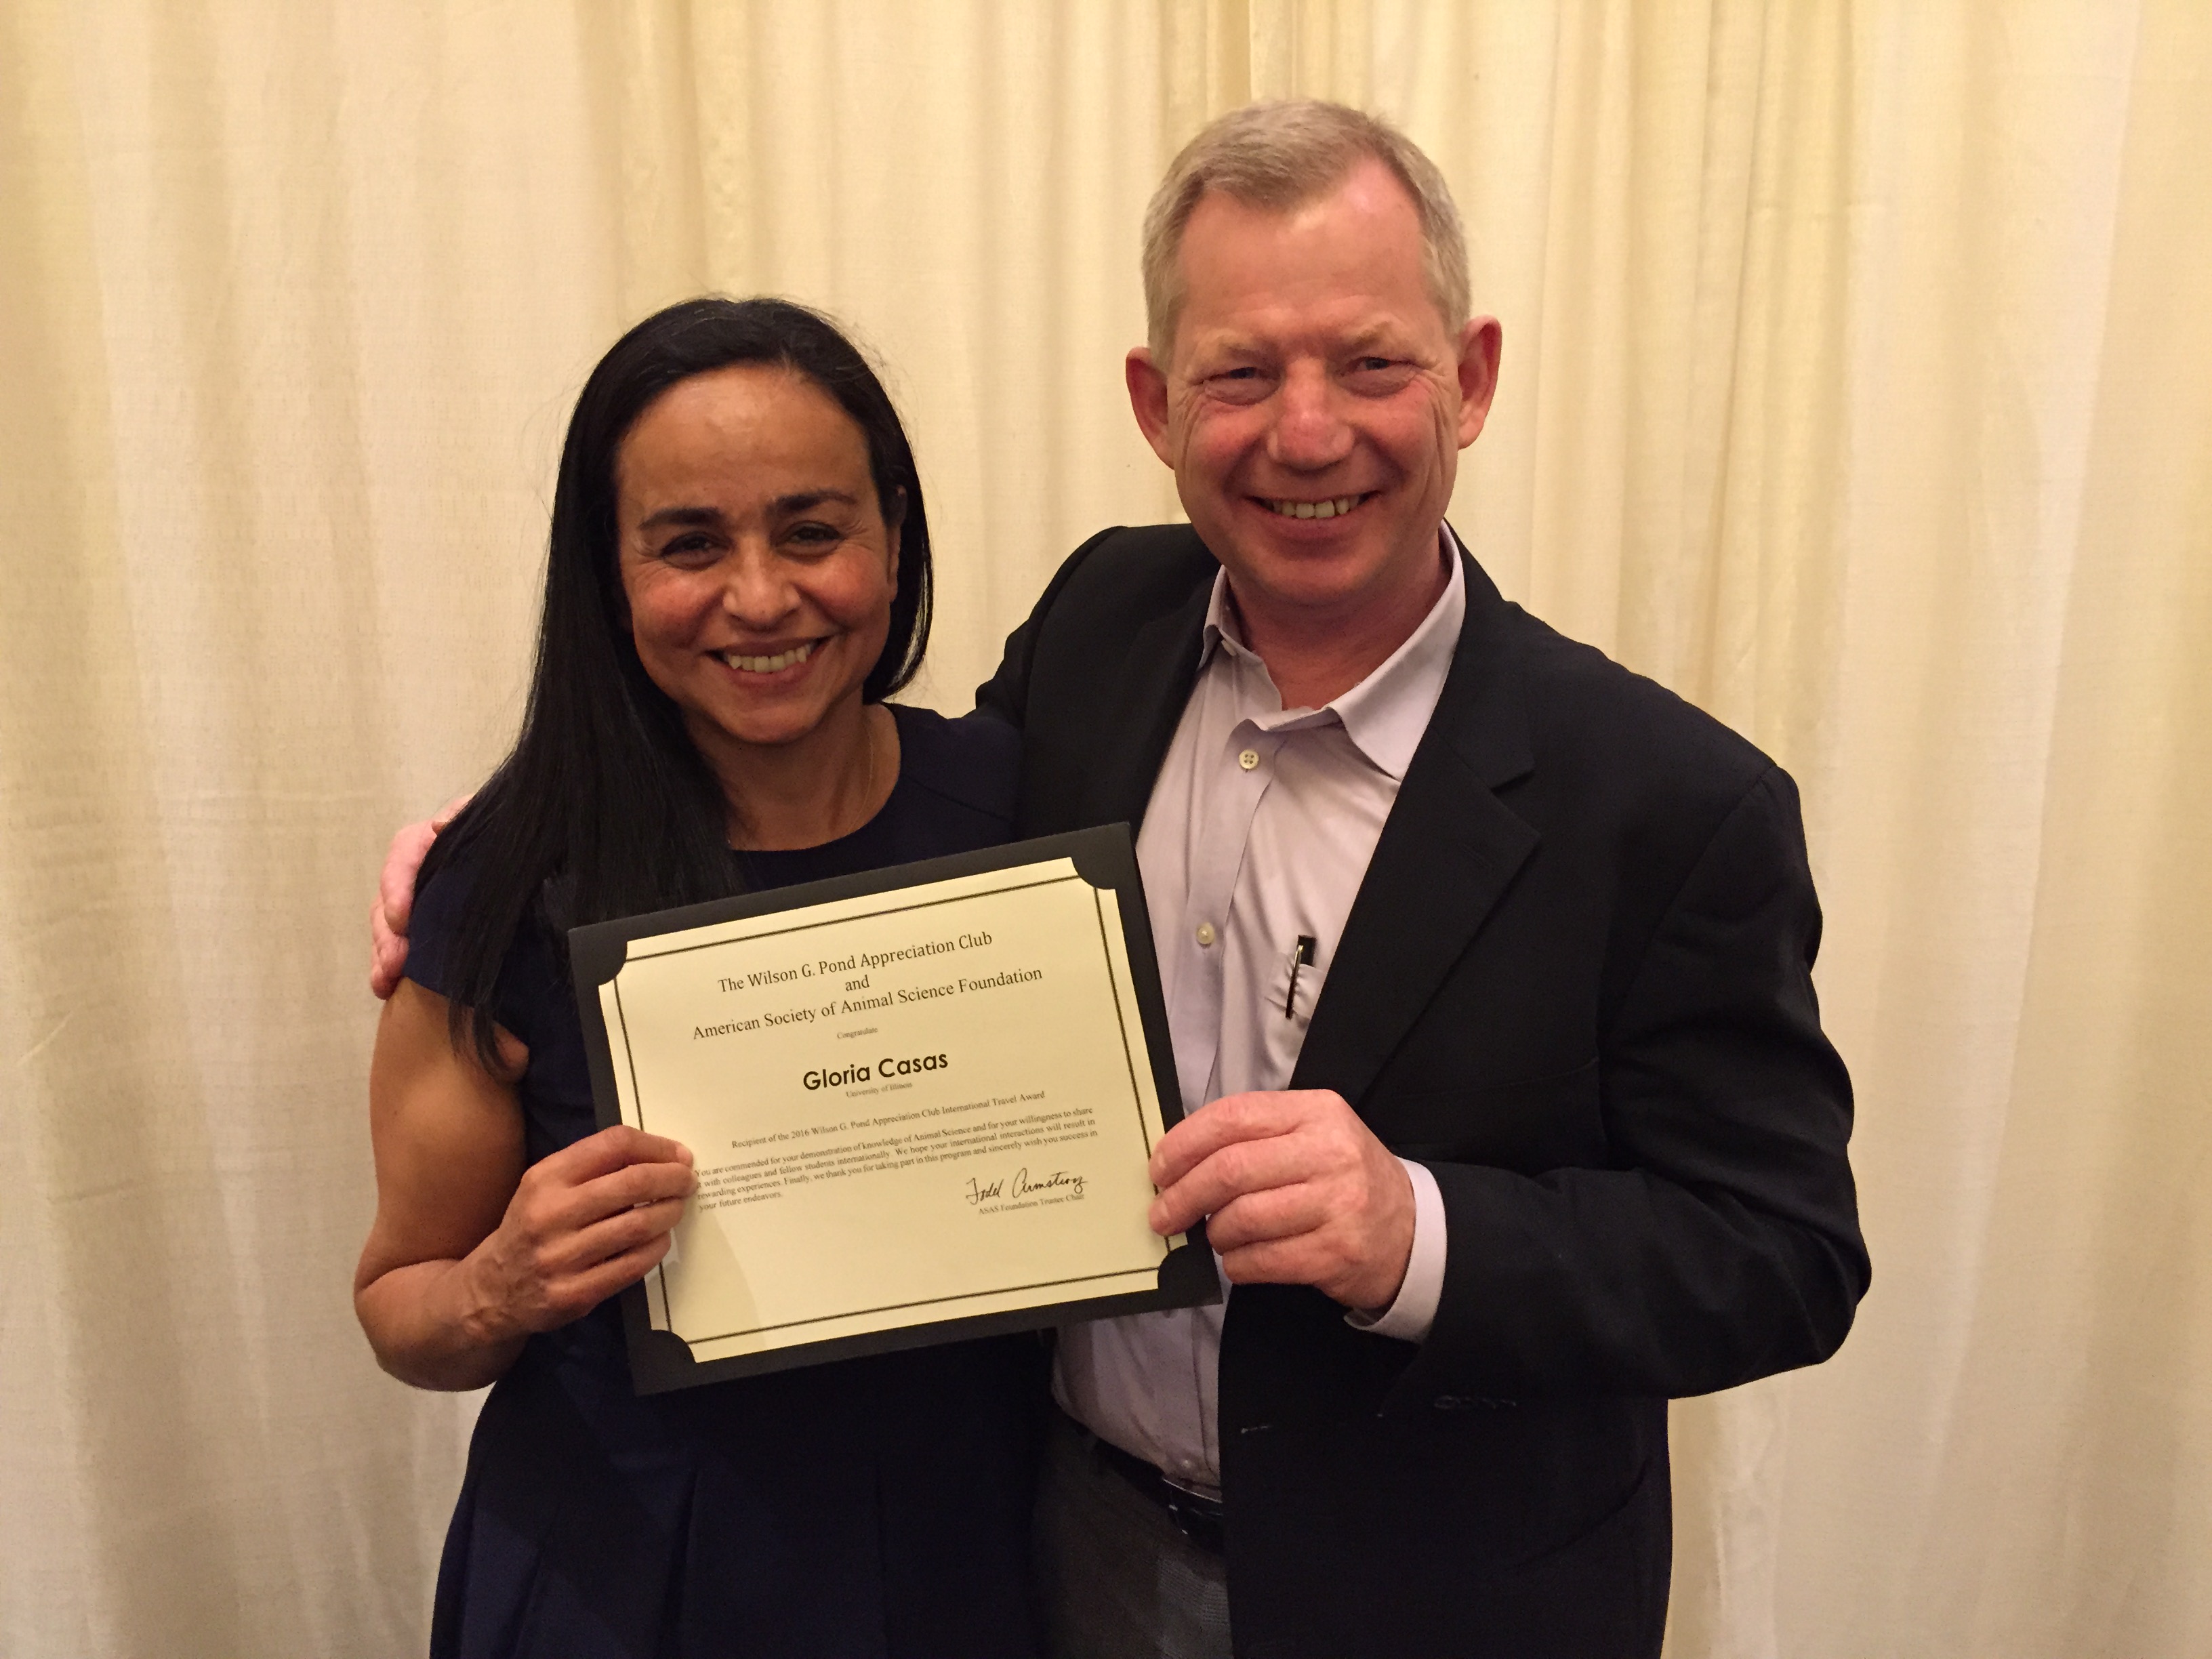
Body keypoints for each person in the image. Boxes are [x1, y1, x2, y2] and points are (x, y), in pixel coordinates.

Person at [375, 103, 1868, 1659]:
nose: (1306, 432)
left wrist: (1419, 1232)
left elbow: (1785, 1254)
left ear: (1469, 379)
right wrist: (483, 873)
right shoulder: (1103, 625)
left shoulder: (1673, 801)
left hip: (1443, 1601)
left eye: (1370, 362)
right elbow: (849, 805)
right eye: (1241, 373)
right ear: (1157, 404)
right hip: (1055, 1556)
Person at [353, 295, 1044, 1658]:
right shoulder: (507, 882)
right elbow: (400, 1303)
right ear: (609, 575)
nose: (761, 595)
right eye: (688, 544)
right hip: (636, 1581)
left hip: (979, 1556)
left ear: (892, 543)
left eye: (812, 528)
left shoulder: (1018, 809)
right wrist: (503, 1282)